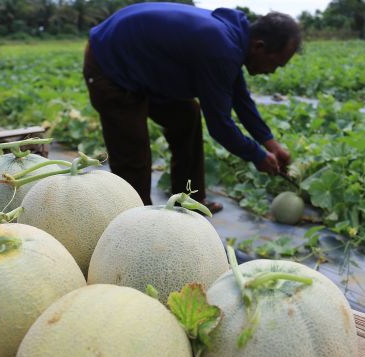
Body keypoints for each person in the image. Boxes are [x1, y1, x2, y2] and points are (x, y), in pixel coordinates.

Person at [83, 2, 300, 212]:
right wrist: (257, 156)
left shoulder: (234, 39)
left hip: (144, 68)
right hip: (110, 65)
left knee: (187, 115)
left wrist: (270, 143)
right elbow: (220, 126)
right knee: (133, 153)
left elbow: (240, 99)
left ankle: (188, 201)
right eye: (276, 64)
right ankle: (138, 223)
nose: (272, 72)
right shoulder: (222, 47)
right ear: (259, 46)